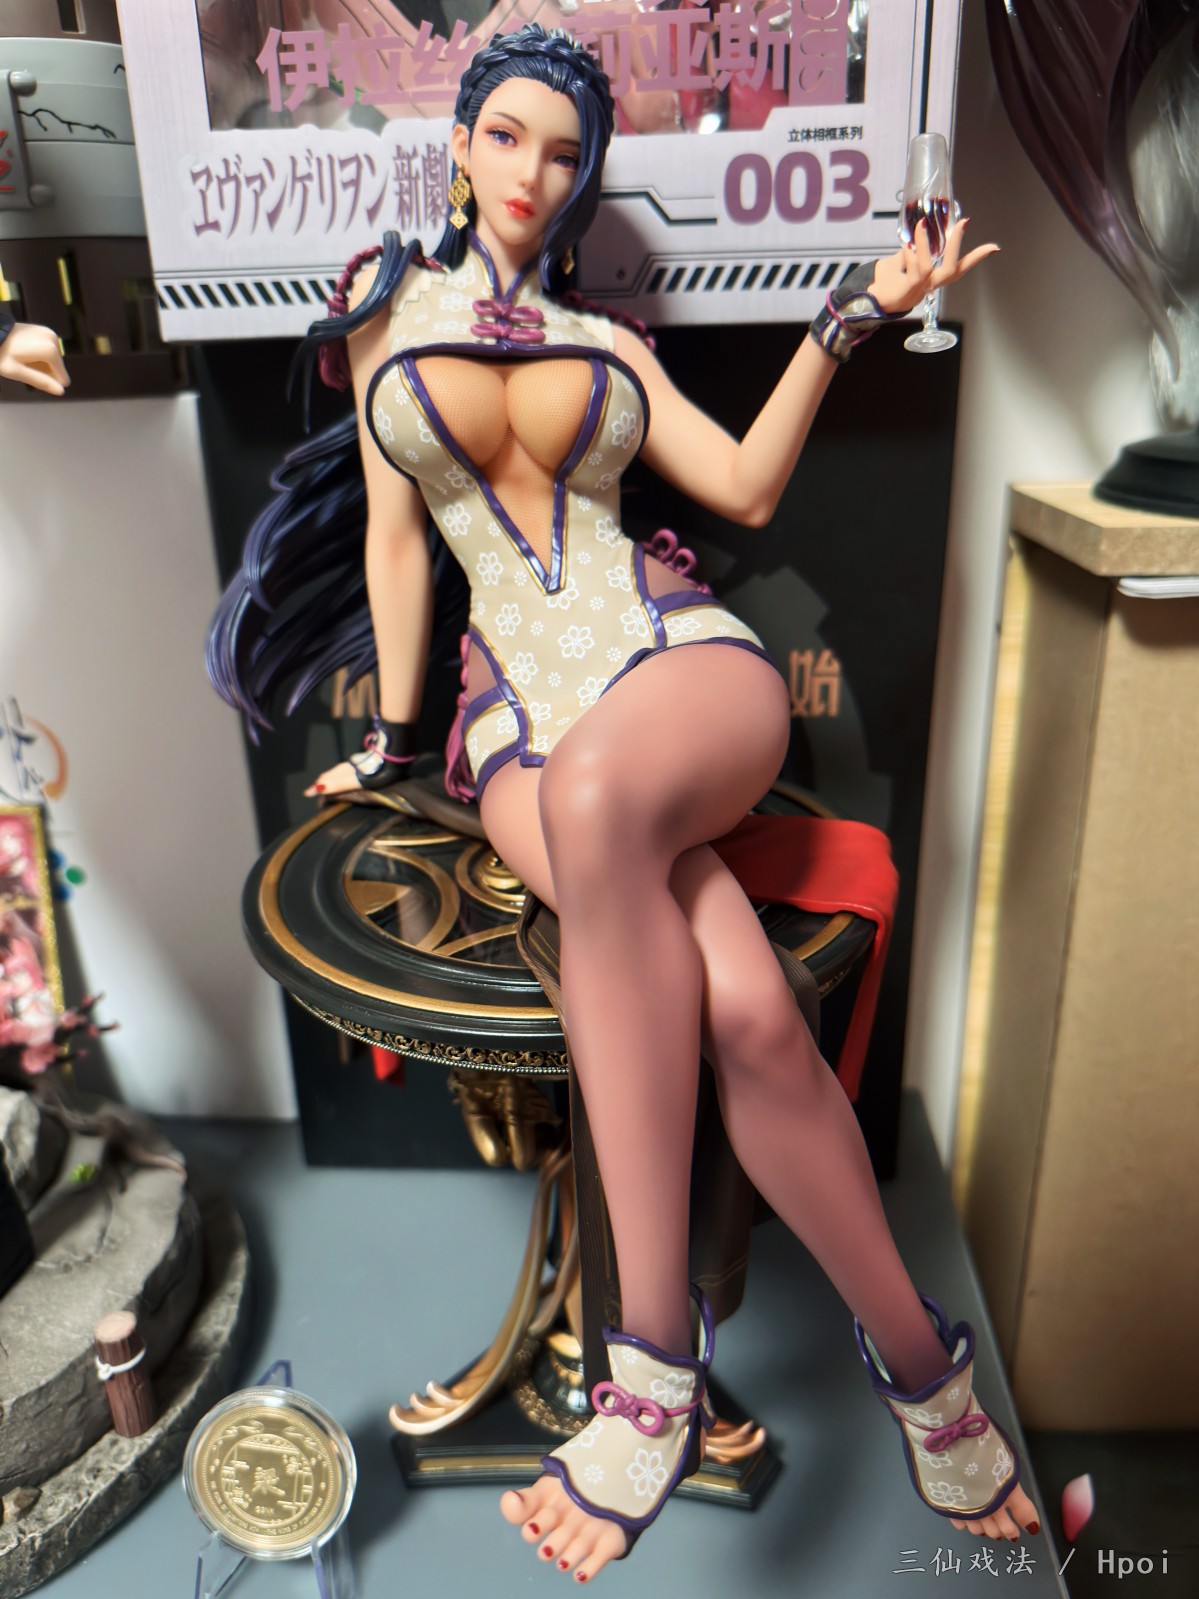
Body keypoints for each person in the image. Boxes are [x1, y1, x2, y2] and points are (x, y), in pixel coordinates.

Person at [209, 23, 1036, 1582]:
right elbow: (397, 545)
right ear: (461, 145)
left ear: (586, 177)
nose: (533, 171)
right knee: (750, 1012)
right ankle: (929, 1373)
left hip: (678, 666)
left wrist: (854, 316)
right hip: (517, 724)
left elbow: (747, 490)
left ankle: (647, 1371)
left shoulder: (610, 345)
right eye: (506, 136)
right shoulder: (386, 310)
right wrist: (396, 740)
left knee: (604, 805)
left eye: (564, 151)